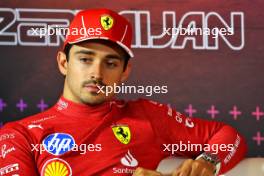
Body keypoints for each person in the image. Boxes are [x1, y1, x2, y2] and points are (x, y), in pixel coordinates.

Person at [0, 8, 247, 176]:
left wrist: (207, 163)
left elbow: (228, 136)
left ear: (125, 71)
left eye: (110, 63)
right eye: (85, 59)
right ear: (64, 63)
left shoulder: (147, 115)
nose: (97, 73)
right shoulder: (19, 135)